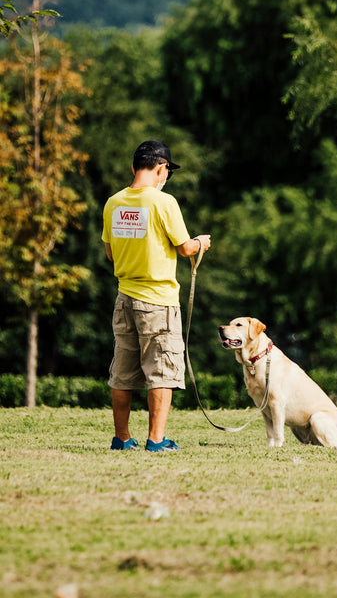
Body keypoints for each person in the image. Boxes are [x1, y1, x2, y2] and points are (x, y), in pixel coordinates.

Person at [102, 139, 211, 452]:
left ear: (134, 167)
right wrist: (202, 242)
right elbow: (185, 248)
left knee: (123, 372)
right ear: (161, 168)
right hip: (158, 300)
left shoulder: (113, 202)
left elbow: (110, 254)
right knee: (161, 370)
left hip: (124, 298)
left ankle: (122, 439)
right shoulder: (164, 203)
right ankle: (156, 440)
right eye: (167, 171)